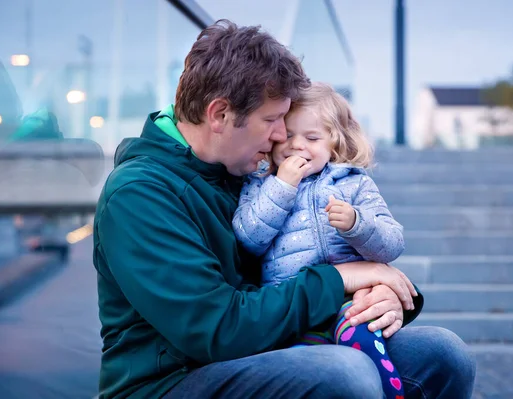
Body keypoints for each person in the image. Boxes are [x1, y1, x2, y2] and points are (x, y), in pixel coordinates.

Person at [93, 19, 476, 399]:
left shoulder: (245, 167)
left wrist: (381, 295)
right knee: (345, 374)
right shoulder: (139, 194)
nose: (282, 138)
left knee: (442, 353)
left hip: (269, 347)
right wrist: (339, 279)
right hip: (172, 380)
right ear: (220, 115)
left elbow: (311, 251)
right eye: (272, 120)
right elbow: (217, 330)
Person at [233, 82, 407, 398]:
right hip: (293, 306)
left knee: (364, 340)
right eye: (288, 135)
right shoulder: (260, 184)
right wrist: (281, 187)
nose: (297, 145)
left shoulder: (354, 184)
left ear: (334, 143)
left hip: (350, 301)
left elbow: (392, 244)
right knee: (315, 366)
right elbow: (248, 238)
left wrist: (356, 224)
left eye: (312, 138)